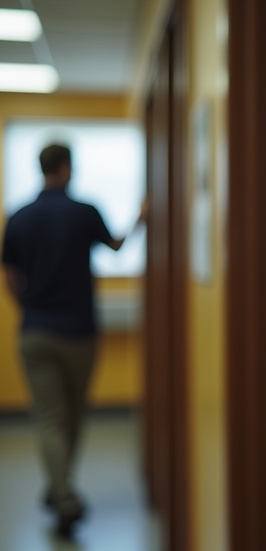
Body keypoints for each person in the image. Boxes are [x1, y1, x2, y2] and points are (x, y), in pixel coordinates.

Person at [1, 144, 146, 538]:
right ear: (66, 168)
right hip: (79, 334)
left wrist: (29, 309)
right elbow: (116, 246)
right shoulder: (84, 211)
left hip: (35, 332)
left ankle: (59, 488)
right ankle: (64, 495)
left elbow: (10, 276)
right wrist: (140, 218)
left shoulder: (19, 217)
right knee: (74, 416)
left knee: (50, 418)